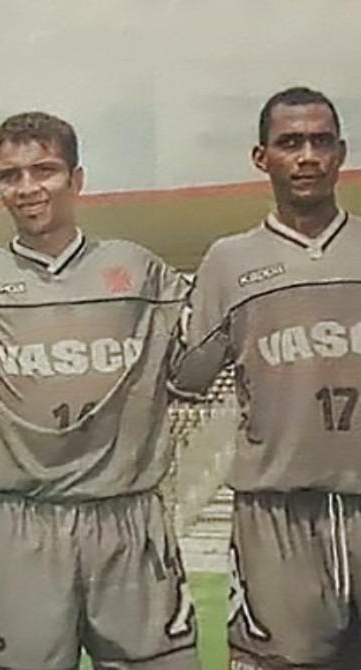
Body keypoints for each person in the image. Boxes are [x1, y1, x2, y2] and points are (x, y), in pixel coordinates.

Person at [0, 111, 200, 670]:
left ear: (77, 178)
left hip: (128, 522)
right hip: (20, 525)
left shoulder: (139, 271)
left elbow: (200, 357)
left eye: (45, 170)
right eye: (10, 176)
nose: (27, 187)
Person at [170, 87, 361, 669]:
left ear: (341, 152)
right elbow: (187, 374)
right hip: (277, 518)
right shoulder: (229, 262)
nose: (307, 156)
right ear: (262, 157)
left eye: (321, 142)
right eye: (290, 143)